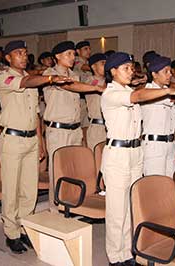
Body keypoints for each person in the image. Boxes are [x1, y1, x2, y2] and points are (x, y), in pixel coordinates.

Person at [101, 52, 175, 265]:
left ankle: (127, 252)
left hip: (135, 152)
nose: (130, 71)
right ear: (113, 71)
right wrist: (168, 89)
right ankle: (115, 257)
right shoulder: (110, 93)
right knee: (117, 210)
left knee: (131, 207)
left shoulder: (130, 91)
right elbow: (139, 97)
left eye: (131, 68)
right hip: (117, 154)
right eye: (125, 68)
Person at [0, 40, 70, 254]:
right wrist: (49, 78)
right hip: (12, 139)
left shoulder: (31, 80)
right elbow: (25, 82)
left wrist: (41, 141)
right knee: (11, 188)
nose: (23, 55)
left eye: (26, 53)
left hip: (30, 140)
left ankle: (25, 227)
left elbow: (35, 114)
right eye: (18, 53)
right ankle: (11, 233)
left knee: (29, 189)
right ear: (8, 57)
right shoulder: (4, 77)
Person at [42, 41, 104, 210]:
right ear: (57, 56)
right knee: (57, 172)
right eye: (68, 54)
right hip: (58, 130)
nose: (72, 57)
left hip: (75, 129)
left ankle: (71, 205)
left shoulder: (75, 75)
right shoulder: (49, 74)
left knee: (73, 170)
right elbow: (70, 86)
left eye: (73, 54)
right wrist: (97, 89)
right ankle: (55, 210)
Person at [84, 53, 107, 150]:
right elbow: (98, 87)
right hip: (96, 127)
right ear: (93, 66)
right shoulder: (90, 82)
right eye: (102, 63)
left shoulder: (109, 81)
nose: (106, 66)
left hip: (109, 126)